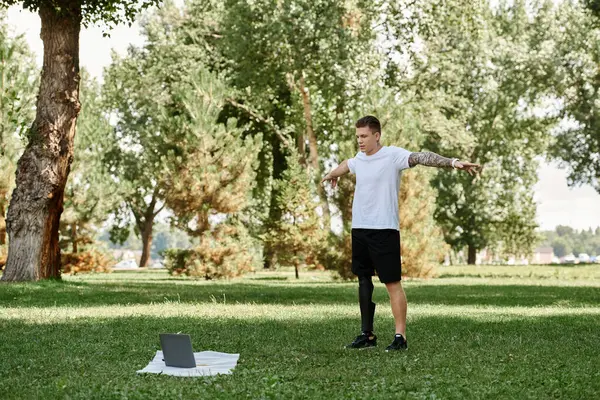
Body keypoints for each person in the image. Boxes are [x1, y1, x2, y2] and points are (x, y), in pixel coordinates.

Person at [321, 115, 481, 351]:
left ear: (377, 135)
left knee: (392, 283)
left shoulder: (393, 155)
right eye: (357, 137)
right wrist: (334, 173)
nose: (360, 141)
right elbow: (348, 164)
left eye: (364, 136)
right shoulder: (359, 158)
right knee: (363, 280)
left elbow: (422, 157)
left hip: (384, 229)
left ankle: (400, 337)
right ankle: (367, 335)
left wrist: (453, 162)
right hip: (360, 228)